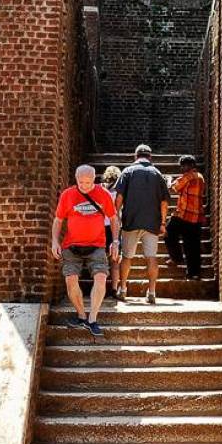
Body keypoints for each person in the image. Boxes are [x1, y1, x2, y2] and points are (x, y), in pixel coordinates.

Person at [51, 165, 119, 336]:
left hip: (96, 245)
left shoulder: (103, 194)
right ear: (76, 179)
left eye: (88, 183)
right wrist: (54, 241)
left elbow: (113, 218)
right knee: (70, 280)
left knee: (101, 277)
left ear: (94, 179)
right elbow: (58, 220)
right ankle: (81, 315)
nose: (84, 186)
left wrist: (116, 241)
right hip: (71, 246)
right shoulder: (68, 195)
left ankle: (92, 319)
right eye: (81, 182)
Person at [115, 144, 168, 304]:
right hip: (152, 223)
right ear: (150, 157)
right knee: (151, 257)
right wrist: (163, 222)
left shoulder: (127, 172)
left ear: (135, 156)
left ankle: (123, 289)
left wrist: (115, 216)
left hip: (131, 221)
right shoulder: (157, 174)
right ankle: (152, 292)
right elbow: (164, 202)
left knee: (127, 257)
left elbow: (119, 197)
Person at [165, 155, 206, 279]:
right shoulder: (200, 177)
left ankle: (176, 258)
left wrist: (168, 179)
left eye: (184, 165)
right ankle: (194, 274)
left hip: (184, 215)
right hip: (196, 217)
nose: (182, 168)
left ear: (191, 166)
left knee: (168, 233)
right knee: (192, 246)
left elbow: (173, 188)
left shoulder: (189, 176)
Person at [102, 165, 123, 299]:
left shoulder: (100, 188)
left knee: (100, 259)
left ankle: (101, 287)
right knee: (114, 260)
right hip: (114, 226)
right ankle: (114, 288)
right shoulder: (120, 190)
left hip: (100, 226)